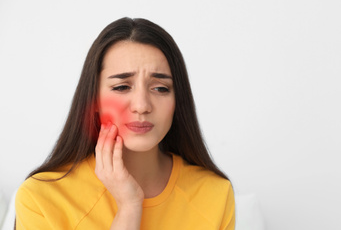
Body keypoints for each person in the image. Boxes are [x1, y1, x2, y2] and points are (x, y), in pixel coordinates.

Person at [15, 17, 235, 229]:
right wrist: (129, 207)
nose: (141, 105)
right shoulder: (40, 199)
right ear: (93, 100)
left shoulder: (215, 194)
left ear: (178, 101)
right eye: (122, 87)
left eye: (160, 88)